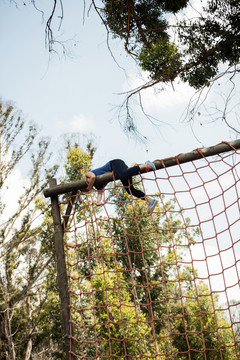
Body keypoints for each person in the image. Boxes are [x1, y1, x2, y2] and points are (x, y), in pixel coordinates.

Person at [84, 159, 158, 212]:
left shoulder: (87, 175)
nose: (88, 191)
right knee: (130, 190)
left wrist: (89, 188)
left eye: (85, 190)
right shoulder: (98, 185)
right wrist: (98, 202)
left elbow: (92, 177)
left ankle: (146, 164)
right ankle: (150, 200)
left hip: (114, 164)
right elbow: (100, 193)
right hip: (119, 171)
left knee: (123, 174)